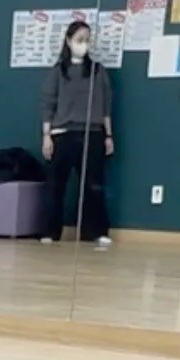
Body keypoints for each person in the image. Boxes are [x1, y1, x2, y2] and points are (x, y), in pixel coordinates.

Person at [39, 19, 113, 247]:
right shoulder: (58, 72)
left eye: (87, 40)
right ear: (69, 41)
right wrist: (46, 136)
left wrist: (109, 135)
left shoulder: (98, 71)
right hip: (62, 134)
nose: (84, 44)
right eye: (80, 39)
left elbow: (106, 106)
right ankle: (50, 232)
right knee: (55, 186)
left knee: (93, 186)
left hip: (92, 134)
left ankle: (95, 232)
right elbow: (48, 105)